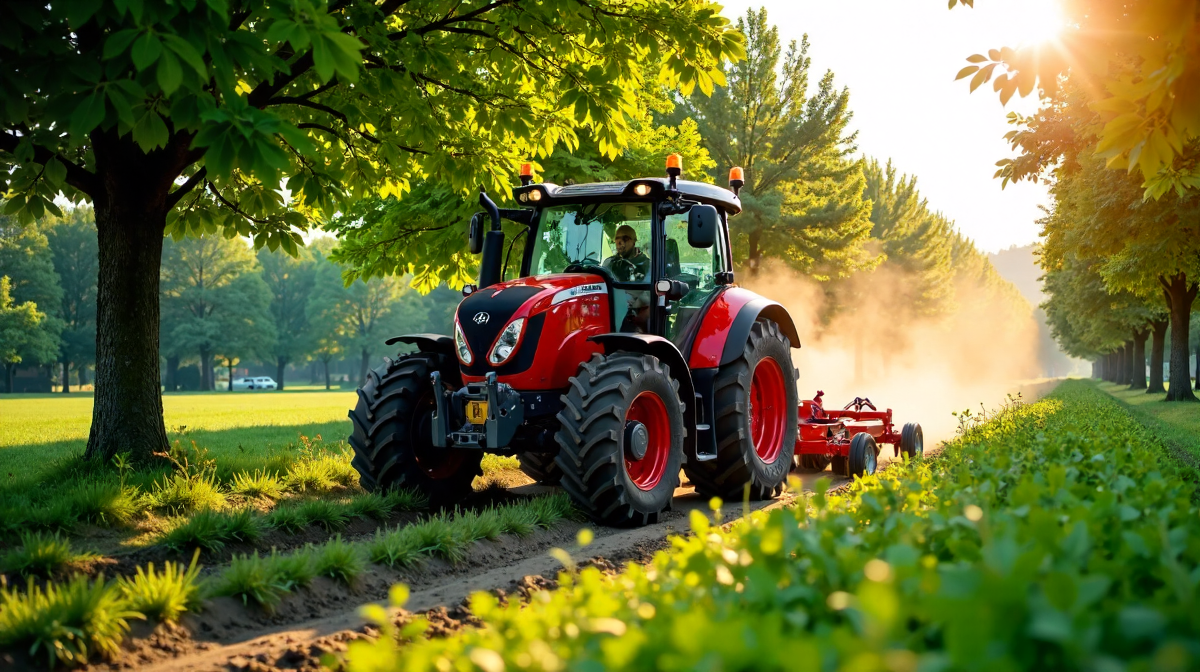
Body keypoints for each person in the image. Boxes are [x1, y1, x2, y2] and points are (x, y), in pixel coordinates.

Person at [602, 224, 651, 331]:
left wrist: (634, 308)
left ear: (634, 241)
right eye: (617, 239)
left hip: (637, 313)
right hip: (612, 310)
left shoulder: (647, 265)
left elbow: (649, 293)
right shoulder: (609, 264)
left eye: (625, 238)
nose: (620, 242)